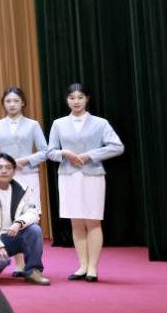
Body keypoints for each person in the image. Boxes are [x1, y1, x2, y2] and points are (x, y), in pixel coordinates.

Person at [46, 83, 124, 282]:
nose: (76, 101)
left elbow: (117, 147)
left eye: (80, 97)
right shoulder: (59, 124)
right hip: (68, 176)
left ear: (87, 99)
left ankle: (92, 268)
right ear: (67, 100)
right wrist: (65, 153)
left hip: (93, 175)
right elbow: (50, 152)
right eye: (72, 97)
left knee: (93, 221)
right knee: (76, 221)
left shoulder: (100, 123)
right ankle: (82, 265)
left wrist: (90, 155)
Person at [0, 154, 51, 285]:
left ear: (14, 170)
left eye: (8, 167)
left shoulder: (23, 188)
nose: (4, 171)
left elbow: (33, 212)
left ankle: (33, 271)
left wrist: (19, 223)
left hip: (13, 235)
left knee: (34, 230)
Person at [0, 86, 49, 210]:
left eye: (16, 101)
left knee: (30, 213)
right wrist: (3, 164)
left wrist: (25, 160)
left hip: (28, 174)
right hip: (4, 175)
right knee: (7, 212)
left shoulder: (33, 125)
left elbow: (45, 152)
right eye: (8, 101)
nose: (12, 104)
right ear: (3, 103)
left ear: (23, 103)